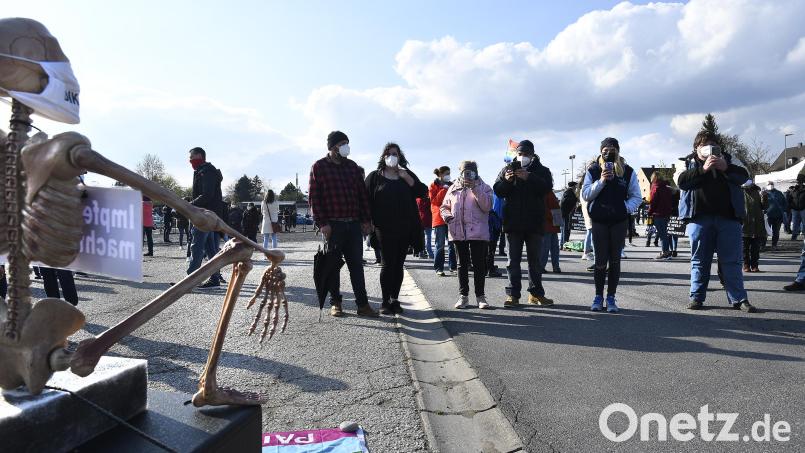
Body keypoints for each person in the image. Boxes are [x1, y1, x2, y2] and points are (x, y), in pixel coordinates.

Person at [678, 130, 756, 312]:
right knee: (699, 260)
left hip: (728, 219)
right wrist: (703, 169)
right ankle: (696, 297)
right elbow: (681, 182)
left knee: (732, 261)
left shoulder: (729, 159)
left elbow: (745, 176)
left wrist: (725, 167)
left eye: (713, 144)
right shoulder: (687, 162)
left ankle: (739, 299)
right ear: (696, 148)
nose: (709, 148)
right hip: (699, 219)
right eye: (704, 145)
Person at [309, 130, 378, 317]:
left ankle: (363, 305)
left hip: (354, 224)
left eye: (347, 143)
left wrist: (366, 220)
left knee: (356, 266)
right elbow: (315, 198)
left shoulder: (353, 167)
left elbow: (362, 195)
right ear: (332, 147)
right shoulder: (319, 167)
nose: (346, 147)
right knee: (333, 266)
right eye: (342, 143)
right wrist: (322, 223)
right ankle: (336, 303)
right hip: (333, 225)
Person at [365, 143, 428, 314]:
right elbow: (365, 201)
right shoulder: (375, 177)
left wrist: (406, 177)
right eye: (389, 153)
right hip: (383, 228)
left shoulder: (406, 174)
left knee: (399, 264)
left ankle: (395, 299)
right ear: (383, 156)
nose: (392, 156)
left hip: (405, 227)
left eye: (395, 154)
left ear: (400, 157)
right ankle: (385, 301)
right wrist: (367, 223)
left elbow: (423, 192)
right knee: (387, 264)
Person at [582, 137, 642, 313]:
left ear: (618, 151)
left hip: (618, 221)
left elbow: (636, 196)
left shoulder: (627, 171)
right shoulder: (593, 170)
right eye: (605, 150)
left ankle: (611, 297)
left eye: (612, 149)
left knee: (615, 261)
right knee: (600, 261)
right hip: (599, 221)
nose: (608, 153)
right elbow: (585, 194)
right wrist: (600, 181)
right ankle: (598, 296)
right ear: (600, 151)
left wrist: (624, 208)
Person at [493, 139, 554, 307]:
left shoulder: (542, 171)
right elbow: (497, 191)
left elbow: (547, 189)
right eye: (520, 154)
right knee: (513, 261)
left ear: (533, 155)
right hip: (513, 222)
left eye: (526, 154)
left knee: (535, 261)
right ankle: (513, 295)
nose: (522, 157)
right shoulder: (507, 169)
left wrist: (529, 177)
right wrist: (506, 180)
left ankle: (536, 294)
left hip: (535, 222)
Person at [438, 161, 494, 309]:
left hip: (478, 232)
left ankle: (480, 297)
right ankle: (463, 296)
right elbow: (444, 206)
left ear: (476, 172)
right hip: (458, 231)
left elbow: (487, 206)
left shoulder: (485, 187)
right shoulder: (453, 188)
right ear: (460, 172)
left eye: (471, 172)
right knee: (461, 265)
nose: (468, 174)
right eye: (465, 172)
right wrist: (447, 216)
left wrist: (474, 188)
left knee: (479, 264)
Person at [186, 146, 225, 290]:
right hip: (209, 215)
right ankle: (214, 278)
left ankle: (190, 281)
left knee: (197, 248)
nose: (190, 161)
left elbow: (207, 194)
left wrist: (190, 205)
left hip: (204, 216)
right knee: (210, 250)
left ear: (200, 156)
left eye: (192, 157)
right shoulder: (204, 171)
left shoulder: (206, 172)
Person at [430, 166, 457, 276]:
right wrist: (443, 190)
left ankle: (453, 267)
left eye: (449, 173)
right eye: (446, 173)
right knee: (440, 244)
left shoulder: (451, 185)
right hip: (439, 219)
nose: (448, 175)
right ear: (440, 174)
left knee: (452, 244)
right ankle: (439, 268)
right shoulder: (433, 185)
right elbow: (434, 201)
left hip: (450, 218)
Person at [742, 180, 767, 273]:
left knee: (755, 248)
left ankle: (755, 265)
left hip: (757, 224)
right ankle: (746, 265)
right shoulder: (739, 191)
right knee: (744, 248)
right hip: (744, 224)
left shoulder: (757, 192)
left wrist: (764, 196)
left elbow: (765, 206)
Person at [648, 173, 673, 260]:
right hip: (666, 213)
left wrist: (649, 212)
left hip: (658, 213)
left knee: (662, 234)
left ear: (653, 178)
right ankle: (667, 251)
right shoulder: (667, 187)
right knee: (664, 233)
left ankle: (665, 252)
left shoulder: (656, 187)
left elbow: (653, 201)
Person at [541, 190, 562, 273]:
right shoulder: (545, 192)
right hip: (548, 223)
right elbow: (544, 209)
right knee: (546, 247)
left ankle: (555, 266)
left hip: (552, 223)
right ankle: (542, 266)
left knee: (554, 248)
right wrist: (554, 215)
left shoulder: (548, 191)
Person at [764, 182, 787, 250]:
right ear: (766, 185)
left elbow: (784, 202)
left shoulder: (779, 193)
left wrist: (784, 210)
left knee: (776, 231)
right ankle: (763, 245)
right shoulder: (764, 193)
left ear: (773, 185)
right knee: (765, 231)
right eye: (768, 184)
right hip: (767, 216)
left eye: (771, 184)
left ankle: (774, 245)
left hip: (778, 216)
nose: (770, 185)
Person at [486, 192, 504, 277]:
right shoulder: (498, 195)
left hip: (490, 225)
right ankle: (490, 269)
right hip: (493, 226)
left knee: (489, 248)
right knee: (491, 248)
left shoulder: (494, 194)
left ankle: (489, 266)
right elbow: (498, 211)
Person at [559, 181, 578, 248]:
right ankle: (564, 244)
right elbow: (564, 202)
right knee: (565, 229)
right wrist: (575, 200)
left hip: (564, 214)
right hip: (565, 214)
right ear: (573, 186)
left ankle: (562, 244)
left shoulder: (567, 192)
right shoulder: (569, 192)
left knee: (564, 229)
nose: (576, 187)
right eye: (575, 186)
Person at [787, 173, 805, 240]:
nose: (798, 183)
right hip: (795, 209)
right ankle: (794, 236)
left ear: (802, 183)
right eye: (798, 182)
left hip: (803, 209)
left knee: (804, 223)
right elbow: (789, 199)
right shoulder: (794, 190)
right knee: (795, 224)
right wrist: (791, 207)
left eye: (799, 182)